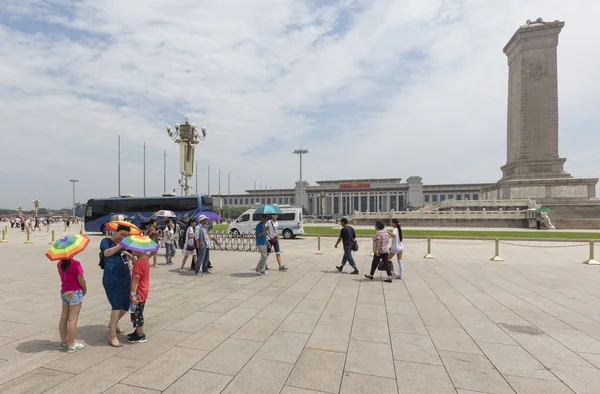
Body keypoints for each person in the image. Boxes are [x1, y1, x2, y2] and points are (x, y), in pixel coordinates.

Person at [100, 224, 132, 347]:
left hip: (125, 276)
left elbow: (130, 257)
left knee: (126, 304)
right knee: (117, 304)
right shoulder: (106, 241)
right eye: (121, 234)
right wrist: (120, 245)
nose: (123, 237)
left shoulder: (127, 244)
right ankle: (112, 335)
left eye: (126, 235)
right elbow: (106, 253)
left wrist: (130, 254)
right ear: (116, 232)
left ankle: (113, 323)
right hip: (111, 277)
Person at [57, 257, 87, 353]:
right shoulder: (75, 264)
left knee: (64, 317)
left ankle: (64, 342)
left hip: (65, 292)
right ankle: (71, 344)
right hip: (75, 292)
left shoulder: (59, 264)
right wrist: (84, 289)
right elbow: (81, 279)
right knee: (72, 319)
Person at [127, 247, 151, 344]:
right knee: (138, 312)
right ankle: (137, 331)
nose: (132, 250)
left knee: (137, 314)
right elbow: (137, 263)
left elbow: (135, 280)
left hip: (138, 293)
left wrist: (132, 295)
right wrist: (131, 257)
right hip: (143, 291)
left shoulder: (139, 263)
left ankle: (140, 335)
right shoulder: (145, 259)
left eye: (134, 249)